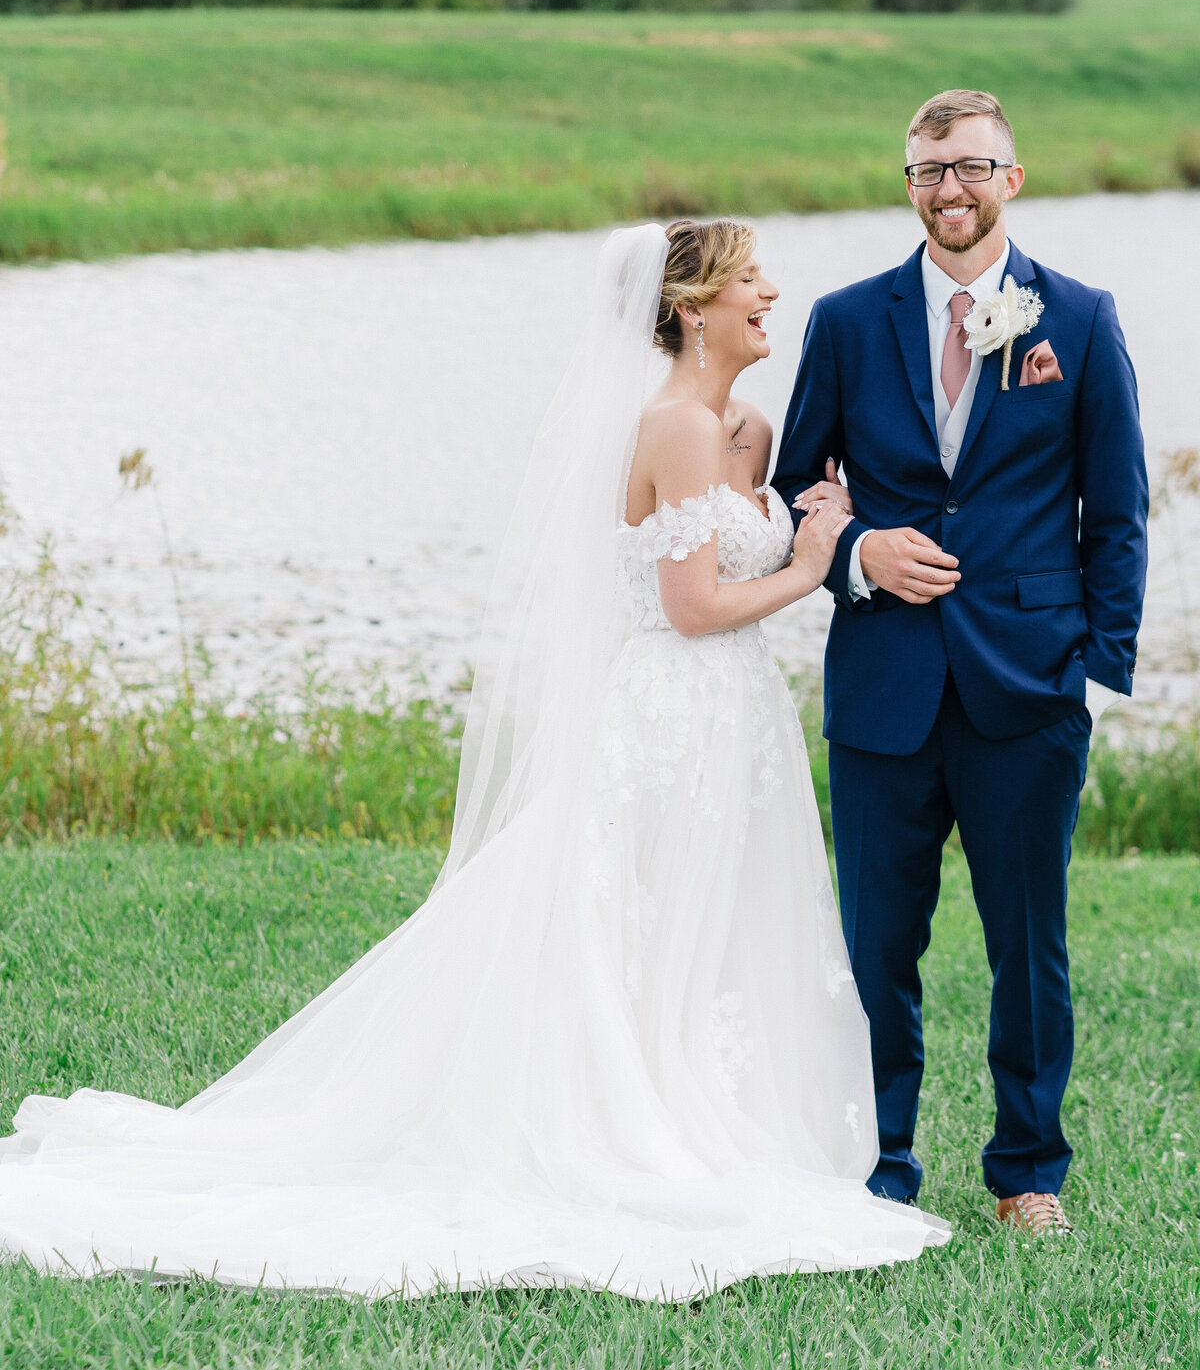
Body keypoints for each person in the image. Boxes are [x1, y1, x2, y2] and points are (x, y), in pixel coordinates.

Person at [0, 220, 948, 1301]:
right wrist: (814, 560)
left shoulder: (747, 428)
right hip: (667, 712)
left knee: (709, 916)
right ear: (692, 308)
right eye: (748, 280)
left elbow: (745, 538)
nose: (771, 292)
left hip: (740, 723)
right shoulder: (675, 427)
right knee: (622, 922)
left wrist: (812, 515)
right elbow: (693, 607)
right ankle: (623, 1122)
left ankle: (709, 1110)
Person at [773, 90, 1148, 1235]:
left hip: (1027, 686)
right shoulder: (845, 320)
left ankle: (1027, 1169)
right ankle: (878, 1164)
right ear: (909, 186)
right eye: (930, 173)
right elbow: (792, 484)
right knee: (874, 947)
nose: (951, 191)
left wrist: (1093, 661)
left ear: (1012, 179)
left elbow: (1118, 511)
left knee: (1028, 947)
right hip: (883, 683)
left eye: (972, 169)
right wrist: (857, 553)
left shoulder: (1077, 320)